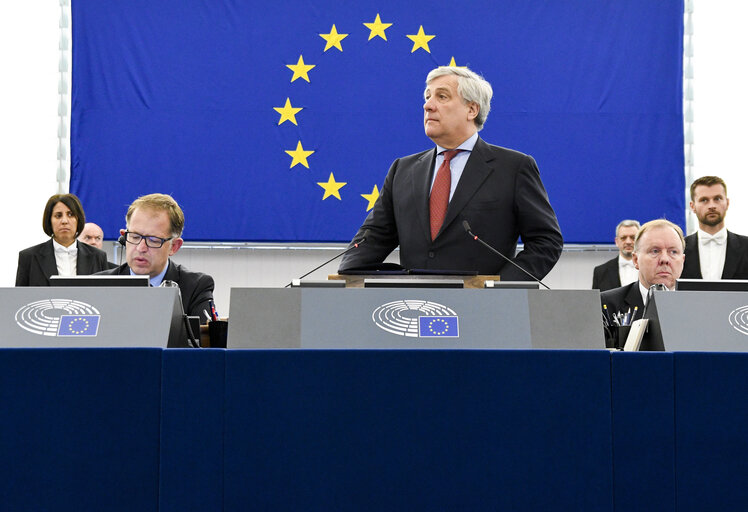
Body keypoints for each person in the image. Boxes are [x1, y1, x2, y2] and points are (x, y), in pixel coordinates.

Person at [338, 66, 563, 279]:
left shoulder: (513, 167)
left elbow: (546, 242)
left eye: (442, 97)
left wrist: (500, 286)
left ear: (471, 109)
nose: (428, 105)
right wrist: (345, 275)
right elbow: (373, 237)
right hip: (414, 306)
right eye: (427, 97)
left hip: (485, 308)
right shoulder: (402, 170)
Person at [97, 193, 215, 321]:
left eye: (153, 240)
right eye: (135, 237)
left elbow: (203, 338)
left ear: (174, 246)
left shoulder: (195, 287)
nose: (141, 248)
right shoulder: (98, 286)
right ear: (124, 236)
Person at [600, 219, 685, 323]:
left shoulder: (699, 304)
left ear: (683, 260)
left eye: (673, 251)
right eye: (655, 251)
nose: (665, 259)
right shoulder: (606, 305)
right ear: (636, 260)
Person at [16, 194, 109, 286]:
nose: (64, 221)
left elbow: (105, 296)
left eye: (70, 215)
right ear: (49, 221)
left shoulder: (98, 257)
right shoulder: (29, 257)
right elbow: (20, 297)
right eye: (58, 216)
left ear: (79, 220)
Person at [681, 176, 748, 280]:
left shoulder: (746, 246)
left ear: (727, 203)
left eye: (717, 199)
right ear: (692, 206)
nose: (711, 205)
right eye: (704, 200)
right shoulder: (679, 248)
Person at [592, 220, 640, 291]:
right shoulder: (600, 272)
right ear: (616, 241)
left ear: (639, 240)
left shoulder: (650, 269)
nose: (628, 242)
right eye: (623, 238)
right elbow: (595, 301)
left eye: (633, 238)